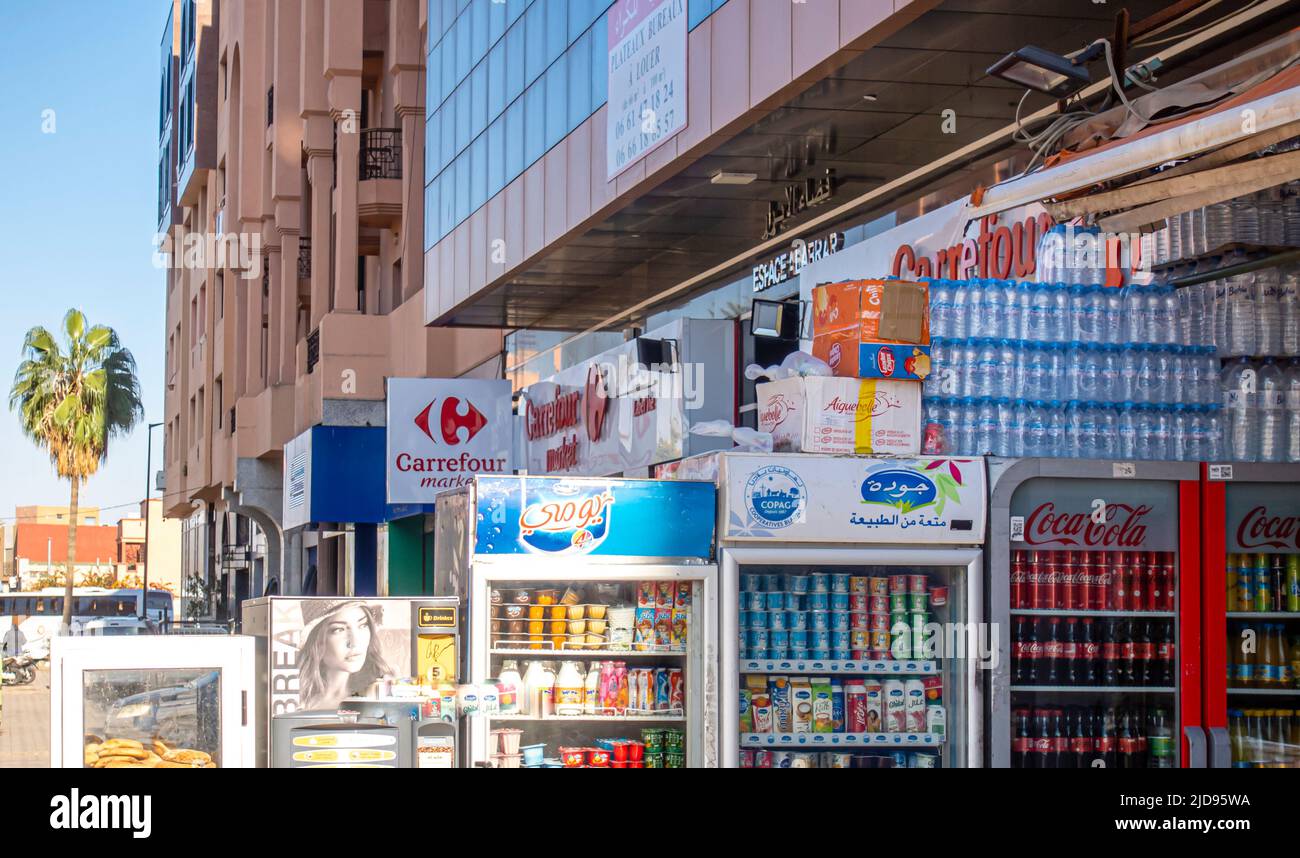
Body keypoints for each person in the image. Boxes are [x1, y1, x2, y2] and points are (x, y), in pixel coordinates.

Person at [296, 600, 394, 711]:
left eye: (362, 625)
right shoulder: (296, 699)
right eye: (339, 630)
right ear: (316, 642)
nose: (355, 642)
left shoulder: (383, 690)